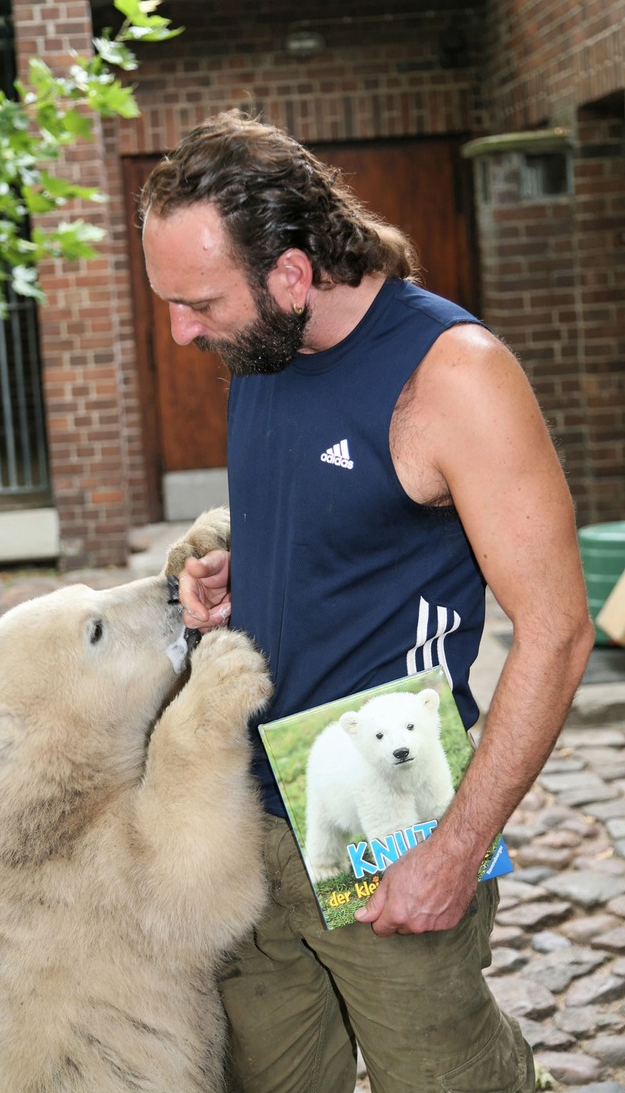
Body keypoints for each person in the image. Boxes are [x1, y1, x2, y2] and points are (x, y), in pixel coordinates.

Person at [138, 110, 594, 1093]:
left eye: (195, 302)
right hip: (241, 816)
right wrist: (224, 558)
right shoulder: (260, 346)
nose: (180, 330)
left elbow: (556, 632)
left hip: (390, 814)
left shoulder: (452, 376)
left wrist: (452, 847)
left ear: (292, 274)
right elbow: (330, 507)